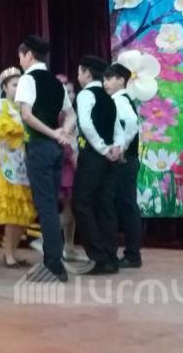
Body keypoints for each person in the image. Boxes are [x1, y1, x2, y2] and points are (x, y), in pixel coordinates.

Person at [15, 35, 77, 282]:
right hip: (55, 149)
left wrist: (54, 133)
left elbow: (26, 115)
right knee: (51, 204)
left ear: (29, 55)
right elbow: (71, 114)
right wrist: (64, 133)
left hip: (40, 147)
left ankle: (53, 265)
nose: (20, 61)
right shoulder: (55, 82)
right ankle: (54, 262)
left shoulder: (27, 79)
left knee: (46, 207)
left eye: (21, 56)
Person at [0, 67, 36, 268]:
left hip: (22, 162)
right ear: (4, 87)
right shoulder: (0, 106)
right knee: (11, 208)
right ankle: (8, 254)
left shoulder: (25, 108)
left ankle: (13, 251)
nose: (18, 88)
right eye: (14, 85)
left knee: (22, 209)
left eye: (20, 85)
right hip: (4, 162)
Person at [73, 55, 120, 275]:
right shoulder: (109, 96)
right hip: (111, 157)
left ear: (87, 73)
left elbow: (86, 124)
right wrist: (116, 147)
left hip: (94, 155)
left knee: (82, 203)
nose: (78, 76)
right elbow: (117, 126)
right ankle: (110, 256)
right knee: (105, 204)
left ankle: (98, 257)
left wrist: (102, 148)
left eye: (79, 72)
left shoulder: (86, 94)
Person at [103, 63, 143, 269]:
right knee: (124, 205)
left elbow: (132, 123)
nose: (105, 83)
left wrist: (121, 148)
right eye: (104, 79)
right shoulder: (119, 100)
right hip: (127, 160)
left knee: (127, 206)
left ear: (121, 80)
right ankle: (129, 252)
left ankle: (133, 254)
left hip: (125, 161)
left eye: (109, 78)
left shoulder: (120, 101)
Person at [55, 73, 86, 263]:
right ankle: (46, 236)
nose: (70, 95)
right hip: (67, 166)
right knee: (70, 208)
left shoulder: (75, 111)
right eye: (66, 92)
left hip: (75, 162)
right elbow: (62, 141)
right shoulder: (60, 115)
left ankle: (69, 246)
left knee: (71, 210)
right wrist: (72, 156)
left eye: (72, 91)